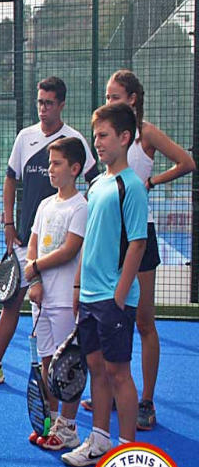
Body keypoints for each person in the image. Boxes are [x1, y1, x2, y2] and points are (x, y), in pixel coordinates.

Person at [0, 77, 98, 384]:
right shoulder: (26, 137)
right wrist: (9, 223)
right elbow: (11, 179)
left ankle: (83, 384)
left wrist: (77, 218)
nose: (43, 109)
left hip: (62, 251)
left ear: (62, 104)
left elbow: (95, 182)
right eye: (40, 102)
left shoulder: (74, 141)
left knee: (65, 315)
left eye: (49, 103)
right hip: (27, 240)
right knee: (12, 302)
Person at [81, 70, 196, 429]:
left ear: (131, 99)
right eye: (107, 96)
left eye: (115, 97)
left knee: (143, 320)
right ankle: (112, 393)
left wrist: (152, 182)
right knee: (104, 322)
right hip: (110, 236)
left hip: (137, 234)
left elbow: (187, 162)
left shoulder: (145, 133)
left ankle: (145, 400)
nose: (109, 101)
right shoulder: (108, 143)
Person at [62, 103, 148, 467]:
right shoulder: (96, 185)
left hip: (114, 298)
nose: (97, 142)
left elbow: (138, 243)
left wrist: (119, 293)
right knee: (96, 367)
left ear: (124, 138)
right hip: (91, 295)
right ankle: (98, 439)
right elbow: (90, 241)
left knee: (119, 372)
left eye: (104, 136)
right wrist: (79, 288)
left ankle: (127, 450)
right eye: (95, 135)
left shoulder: (132, 187)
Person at [25, 138, 88, 450]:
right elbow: (33, 243)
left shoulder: (81, 207)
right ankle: (49, 422)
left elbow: (69, 250)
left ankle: (69, 428)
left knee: (68, 367)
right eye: (50, 163)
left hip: (65, 301)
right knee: (48, 362)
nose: (50, 169)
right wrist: (34, 280)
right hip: (41, 299)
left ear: (74, 169)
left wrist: (34, 265)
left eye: (57, 163)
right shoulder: (45, 205)